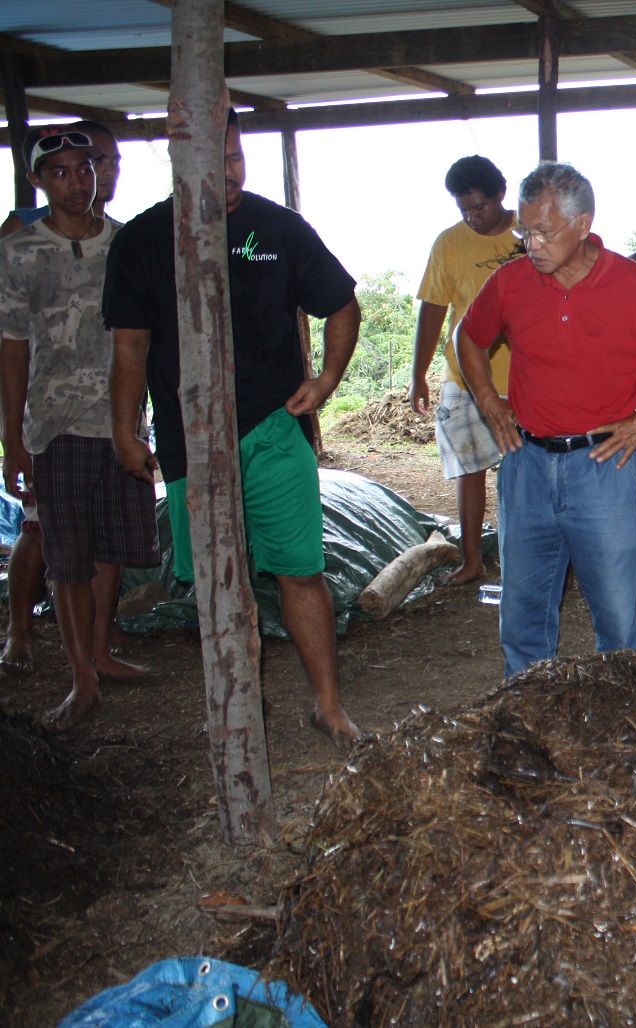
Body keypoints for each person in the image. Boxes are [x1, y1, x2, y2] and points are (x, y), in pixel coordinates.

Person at [104, 109, 365, 746]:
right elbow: (131, 349)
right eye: (212, 162)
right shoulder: (141, 241)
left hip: (274, 427)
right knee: (217, 583)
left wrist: (327, 381)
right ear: (176, 165)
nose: (228, 173)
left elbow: (341, 305)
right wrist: (123, 429)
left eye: (235, 158)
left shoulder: (276, 228)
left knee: (301, 571)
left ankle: (327, 704)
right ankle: (236, 705)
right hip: (190, 438)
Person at [457, 162, 636, 677]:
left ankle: (622, 727)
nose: (531, 244)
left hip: (603, 466)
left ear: (583, 225)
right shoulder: (512, 282)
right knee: (523, 615)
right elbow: (468, 337)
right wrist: (490, 402)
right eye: (525, 231)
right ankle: (526, 718)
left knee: (618, 618)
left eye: (544, 232)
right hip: (527, 462)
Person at [0, 125, 158, 729]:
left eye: (84, 169)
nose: (76, 182)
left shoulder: (125, 244)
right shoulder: (18, 252)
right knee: (65, 552)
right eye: (60, 172)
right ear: (37, 182)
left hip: (119, 420)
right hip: (55, 424)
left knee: (111, 544)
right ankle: (81, 678)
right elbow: (12, 351)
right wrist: (14, 439)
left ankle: (100, 652)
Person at [409, 155, 523, 587]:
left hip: (522, 380)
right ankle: (472, 560)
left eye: (480, 207)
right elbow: (434, 309)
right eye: (464, 210)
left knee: (520, 473)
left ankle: (525, 561)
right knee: (468, 468)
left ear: (501, 194)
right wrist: (418, 373)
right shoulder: (449, 243)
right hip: (464, 380)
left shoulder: (528, 236)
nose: (473, 217)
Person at [1, 120, 122, 239]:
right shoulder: (22, 226)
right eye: (98, 161)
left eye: (115, 161)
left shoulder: (125, 236)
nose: (111, 171)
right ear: (36, 179)